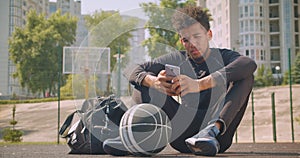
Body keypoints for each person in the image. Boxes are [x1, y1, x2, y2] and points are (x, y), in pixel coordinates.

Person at [103, 5, 257, 156]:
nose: (192, 44)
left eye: (197, 36)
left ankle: (210, 131)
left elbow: (249, 64)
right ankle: (134, 136)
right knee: (142, 82)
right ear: (181, 41)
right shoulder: (177, 59)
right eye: (186, 39)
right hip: (182, 134)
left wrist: (198, 84)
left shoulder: (224, 57)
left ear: (209, 34)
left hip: (217, 138)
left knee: (246, 76)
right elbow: (131, 69)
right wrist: (154, 82)